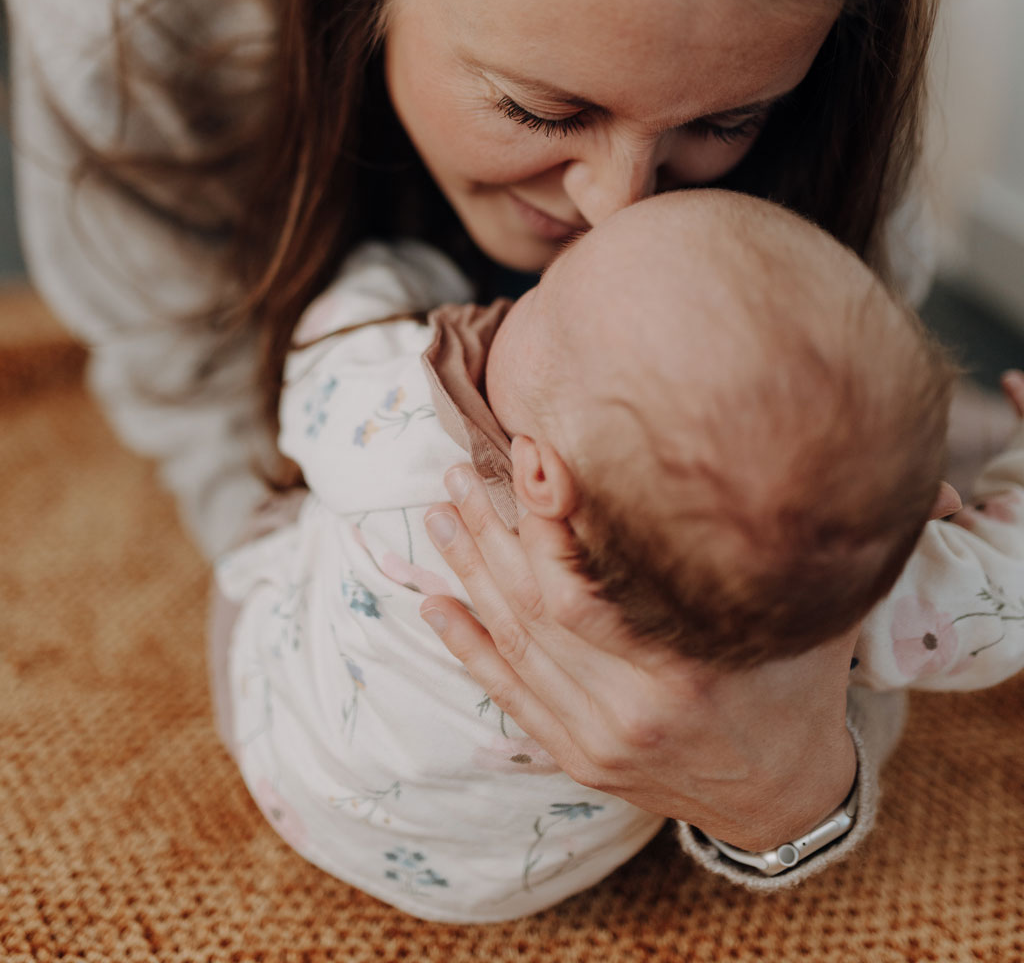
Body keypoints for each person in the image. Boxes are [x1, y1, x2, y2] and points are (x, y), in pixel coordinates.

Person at [3, 0, 949, 872]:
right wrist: (330, 613)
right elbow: (189, 384)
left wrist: (797, 791)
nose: (619, 216)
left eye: (724, 121)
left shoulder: (825, 23)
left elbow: (820, 460)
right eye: (542, 109)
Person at [212, 189, 1024, 920]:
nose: (523, 285)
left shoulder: (397, 434)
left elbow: (321, 354)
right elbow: (1004, 601)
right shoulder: (845, 611)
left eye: (547, 294)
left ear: (538, 474)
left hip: (289, 756)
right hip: (525, 880)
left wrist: (398, 264)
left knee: (274, 558)